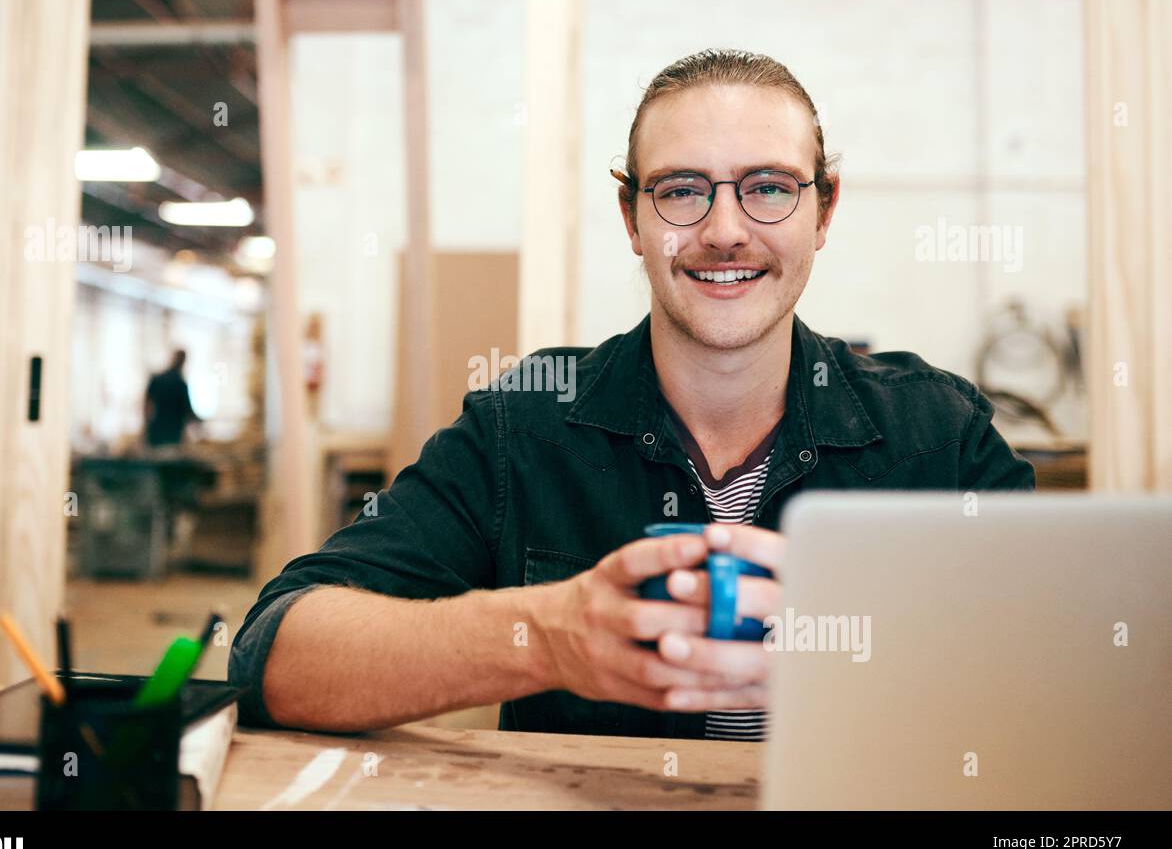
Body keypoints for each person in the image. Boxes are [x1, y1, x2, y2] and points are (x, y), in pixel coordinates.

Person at [231, 49, 1035, 742]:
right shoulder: (524, 427)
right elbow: (273, 654)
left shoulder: (939, 434)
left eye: (769, 187)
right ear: (632, 214)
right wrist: (547, 635)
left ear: (824, 209)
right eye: (682, 189)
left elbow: (1079, 662)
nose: (724, 229)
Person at [143, 350, 199, 448]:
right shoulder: (180, 385)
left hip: (156, 431)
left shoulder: (157, 379)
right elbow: (188, 411)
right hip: (173, 433)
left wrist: (145, 427)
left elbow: (146, 406)